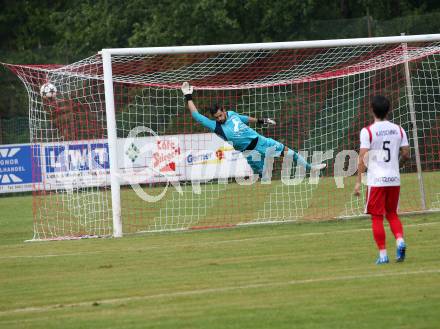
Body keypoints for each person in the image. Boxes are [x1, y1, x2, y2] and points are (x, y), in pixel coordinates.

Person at [180, 82, 326, 179]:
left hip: (261, 141)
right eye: (216, 117)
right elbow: (196, 116)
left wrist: (260, 120)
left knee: (289, 152)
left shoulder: (232, 114)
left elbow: (244, 119)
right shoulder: (216, 127)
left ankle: (311, 168)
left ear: (224, 111)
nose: (219, 119)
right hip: (250, 152)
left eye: (220, 115)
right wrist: (188, 96)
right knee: (265, 177)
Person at [354, 95, 410, 264]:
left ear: (371, 109)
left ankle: (383, 255)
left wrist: (358, 181)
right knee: (392, 214)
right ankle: (400, 240)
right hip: (394, 179)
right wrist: (397, 166)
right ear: (389, 109)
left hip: (377, 181)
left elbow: (362, 157)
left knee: (377, 218)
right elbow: (406, 153)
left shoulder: (368, 131)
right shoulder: (399, 129)